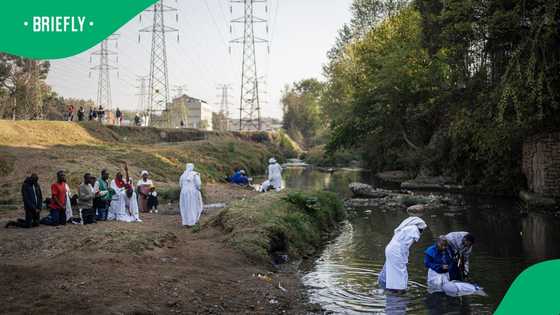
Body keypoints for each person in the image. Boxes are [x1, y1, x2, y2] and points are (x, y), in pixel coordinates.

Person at [378, 217, 427, 292]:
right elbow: (407, 245)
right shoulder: (413, 229)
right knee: (400, 271)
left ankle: (383, 282)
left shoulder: (406, 228)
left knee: (390, 267)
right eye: (422, 230)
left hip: (391, 248)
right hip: (396, 250)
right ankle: (399, 289)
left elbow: (405, 245)